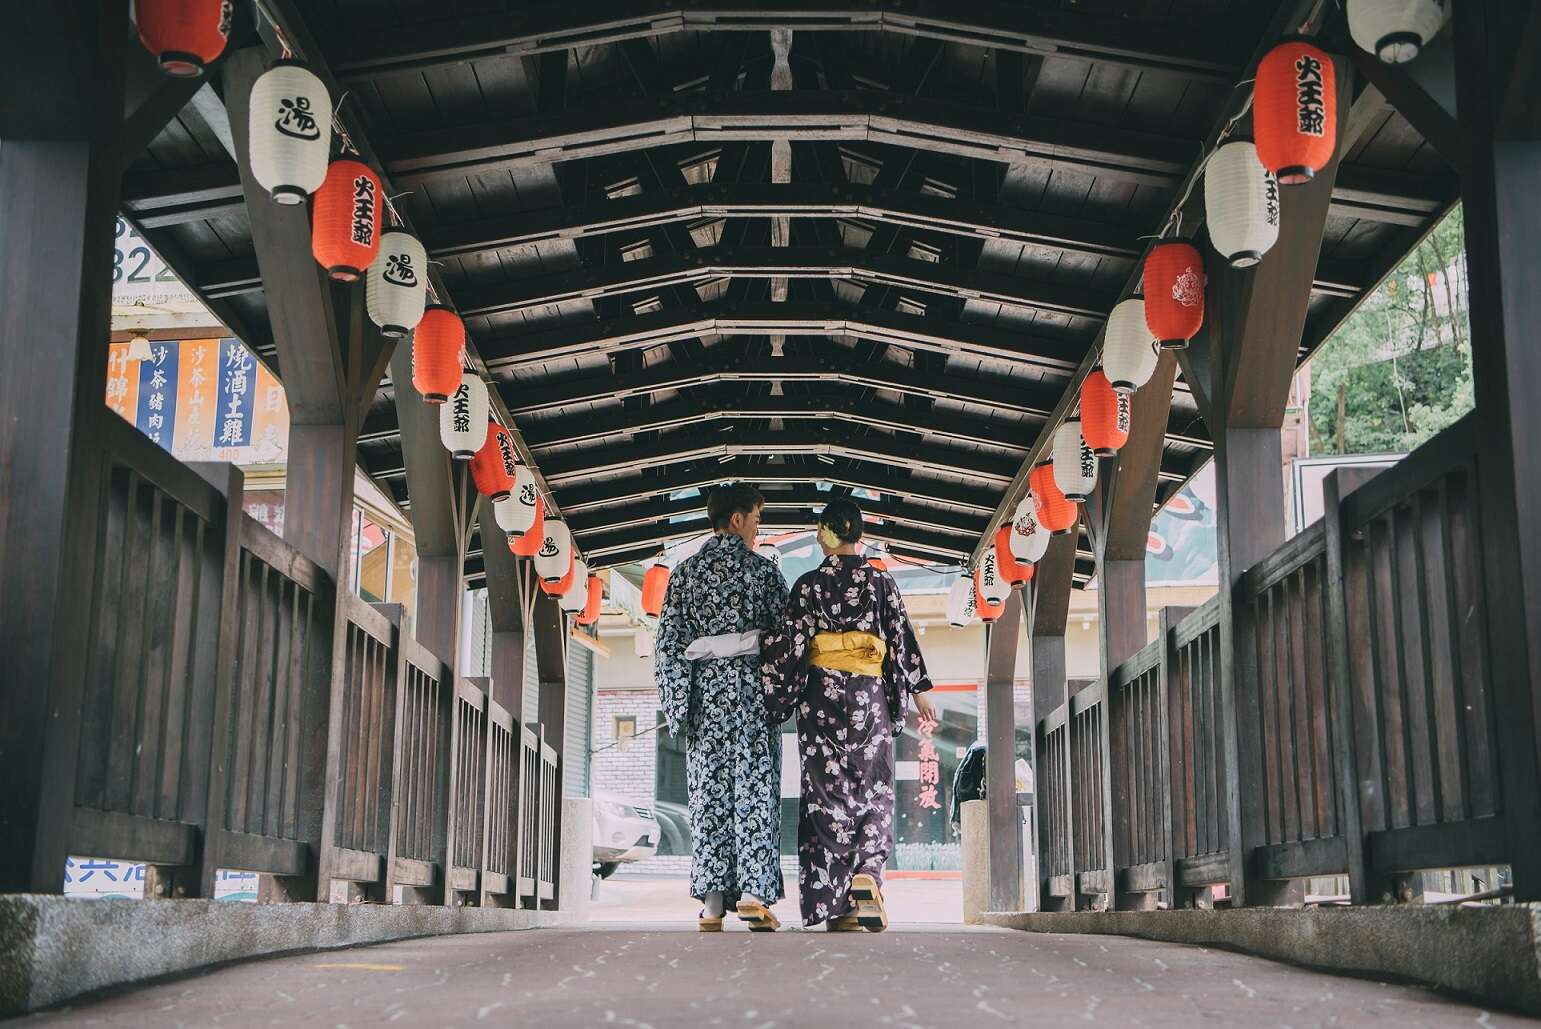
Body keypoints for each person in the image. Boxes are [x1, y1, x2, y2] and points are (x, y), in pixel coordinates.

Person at [762, 498, 936, 931]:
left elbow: (791, 647)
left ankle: (836, 906)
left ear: (827, 532)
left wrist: (767, 666)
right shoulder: (881, 583)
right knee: (873, 788)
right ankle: (868, 875)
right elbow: (900, 638)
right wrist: (920, 691)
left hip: (820, 698)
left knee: (825, 796)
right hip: (868, 697)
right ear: (857, 533)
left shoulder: (806, 585)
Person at [654, 483, 790, 932]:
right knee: (754, 789)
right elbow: (784, 641)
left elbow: (669, 646)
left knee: (709, 795)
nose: (757, 529)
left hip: (705, 701)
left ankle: (712, 906)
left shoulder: (684, 574)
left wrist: (678, 706)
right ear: (736, 519)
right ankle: (753, 895)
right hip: (752, 699)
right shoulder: (766, 573)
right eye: (756, 519)